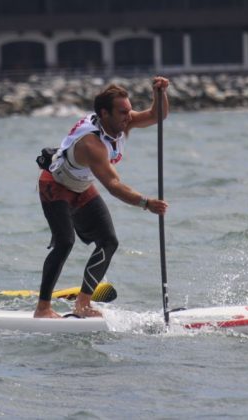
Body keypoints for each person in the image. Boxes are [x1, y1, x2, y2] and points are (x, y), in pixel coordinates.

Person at [34, 77, 170, 318]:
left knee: (109, 241)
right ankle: (42, 308)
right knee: (65, 242)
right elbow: (113, 184)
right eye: (122, 112)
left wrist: (159, 93)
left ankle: (83, 304)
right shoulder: (91, 144)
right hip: (55, 185)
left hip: (82, 185)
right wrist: (145, 203)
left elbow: (156, 115)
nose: (129, 116)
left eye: (129, 110)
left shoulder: (121, 122)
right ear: (104, 114)